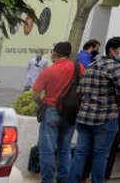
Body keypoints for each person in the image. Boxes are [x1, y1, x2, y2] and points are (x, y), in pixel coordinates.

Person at [69, 36, 120, 183]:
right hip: (105, 118)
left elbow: (81, 90)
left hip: (84, 117)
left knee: (81, 153)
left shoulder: (90, 65)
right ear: (112, 50)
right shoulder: (117, 68)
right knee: (101, 155)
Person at [33, 41, 83, 183]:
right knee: (65, 149)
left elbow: (36, 95)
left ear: (55, 54)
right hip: (71, 112)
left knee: (47, 150)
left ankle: (48, 180)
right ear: (69, 55)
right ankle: (63, 178)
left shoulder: (48, 71)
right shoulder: (79, 67)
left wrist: (43, 104)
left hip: (51, 110)